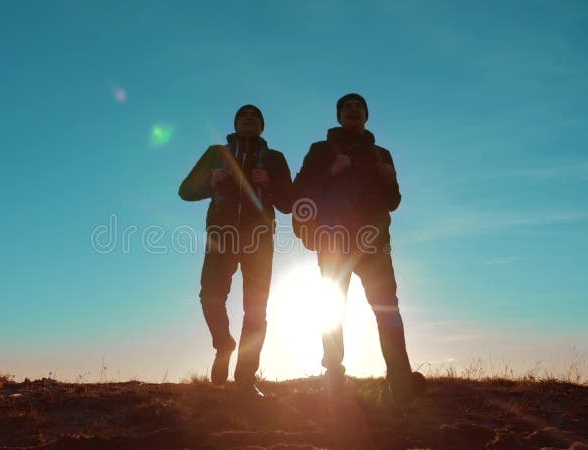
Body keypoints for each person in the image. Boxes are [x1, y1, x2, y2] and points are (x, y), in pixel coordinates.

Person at [292, 93, 423, 406]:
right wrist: (331, 172)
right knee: (333, 309)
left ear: (366, 114)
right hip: (333, 242)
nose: (352, 110)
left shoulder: (382, 154)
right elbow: (299, 191)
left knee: (386, 309)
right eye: (346, 107)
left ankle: (399, 379)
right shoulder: (321, 150)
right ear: (339, 116)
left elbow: (392, 202)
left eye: (358, 106)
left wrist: (390, 181)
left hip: (374, 244)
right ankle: (334, 374)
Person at [179, 105, 292, 397]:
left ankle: (245, 379)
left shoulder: (274, 158)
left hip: (259, 239)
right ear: (236, 123)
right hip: (222, 237)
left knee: (256, 310)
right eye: (244, 116)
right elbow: (185, 190)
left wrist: (269, 183)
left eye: (255, 117)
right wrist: (209, 182)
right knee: (209, 297)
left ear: (262, 125)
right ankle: (223, 344)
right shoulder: (217, 153)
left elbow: (289, 202)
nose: (249, 120)